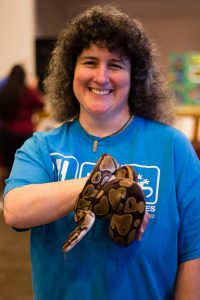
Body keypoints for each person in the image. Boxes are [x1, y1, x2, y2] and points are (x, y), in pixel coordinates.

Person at [3, 5, 200, 300]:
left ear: (135, 75)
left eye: (116, 65)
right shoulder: (42, 147)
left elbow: (193, 254)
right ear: (72, 71)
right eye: (90, 62)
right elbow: (15, 211)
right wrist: (102, 185)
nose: (101, 76)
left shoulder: (173, 147)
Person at [0, 64, 44, 172]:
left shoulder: (4, 91)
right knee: (24, 165)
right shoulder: (28, 91)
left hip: (6, 133)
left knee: (9, 166)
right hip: (25, 133)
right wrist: (34, 87)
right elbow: (41, 104)